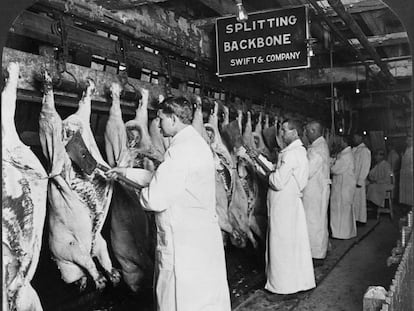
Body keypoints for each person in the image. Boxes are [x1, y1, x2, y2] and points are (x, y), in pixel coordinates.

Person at [106, 97, 231, 311]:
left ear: (173, 119)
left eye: (161, 118)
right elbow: (164, 179)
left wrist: (132, 191)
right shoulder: (195, 144)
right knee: (204, 299)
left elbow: (154, 198)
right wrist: (125, 173)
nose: (157, 123)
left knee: (178, 300)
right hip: (199, 240)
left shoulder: (179, 152)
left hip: (183, 244)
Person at [260, 119, 315, 299]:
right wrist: (257, 158)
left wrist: (267, 173)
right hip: (288, 205)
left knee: (280, 247)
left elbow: (277, 181)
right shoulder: (295, 152)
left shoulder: (292, 154)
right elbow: (277, 171)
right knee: (291, 247)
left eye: (284, 130)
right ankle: (296, 283)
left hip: (284, 207)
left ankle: (282, 288)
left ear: (294, 132)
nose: (281, 133)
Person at [303, 120, 331, 266]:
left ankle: (316, 255)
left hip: (315, 191)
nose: (305, 134)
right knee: (317, 221)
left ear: (313, 131)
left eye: (307, 131)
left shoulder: (318, 149)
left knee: (314, 222)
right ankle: (317, 252)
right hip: (316, 190)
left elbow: (306, 171)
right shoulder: (318, 145)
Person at [330, 135, 357, 239]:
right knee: (345, 210)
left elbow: (335, 169)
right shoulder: (345, 154)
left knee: (341, 210)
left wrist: (331, 164)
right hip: (345, 186)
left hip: (343, 187)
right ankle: (346, 232)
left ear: (344, 142)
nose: (338, 143)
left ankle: (341, 234)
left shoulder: (346, 156)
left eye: (340, 141)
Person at [352, 131, 371, 224]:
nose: (354, 139)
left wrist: (360, 180)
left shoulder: (364, 150)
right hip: (352, 178)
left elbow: (365, 166)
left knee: (359, 201)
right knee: (354, 201)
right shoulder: (355, 149)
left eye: (356, 137)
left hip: (359, 179)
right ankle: (355, 219)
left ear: (360, 138)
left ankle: (361, 220)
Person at [399, 134, 413, 206]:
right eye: (407, 140)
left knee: (410, 193)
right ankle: (406, 207)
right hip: (405, 174)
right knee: (405, 194)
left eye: (409, 140)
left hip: (411, 174)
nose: (407, 141)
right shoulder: (406, 149)